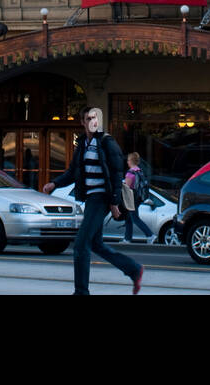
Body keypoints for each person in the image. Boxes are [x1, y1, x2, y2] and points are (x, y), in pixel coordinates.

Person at [43, 107, 144, 295]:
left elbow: (116, 174)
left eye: (94, 118)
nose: (91, 122)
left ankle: (81, 292)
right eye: (87, 118)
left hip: (102, 199)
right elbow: (73, 171)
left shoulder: (107, 142)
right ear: (82, 122)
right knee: (95, 244)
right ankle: (133, 269)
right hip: (91, 199)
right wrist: (54, 184)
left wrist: (114, 203)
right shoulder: (82, 144)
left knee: (81, 245)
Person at [121, 152, 154, 245]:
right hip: (139, 198)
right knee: (128, 217)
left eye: (128, 160)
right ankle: (127, 238)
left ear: (131, 161)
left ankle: (150, 235)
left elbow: (127, 187)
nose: (127, 162)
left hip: (131, 198)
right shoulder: (139, 171)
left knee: (135, 218)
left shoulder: (130, 172)